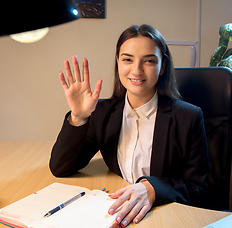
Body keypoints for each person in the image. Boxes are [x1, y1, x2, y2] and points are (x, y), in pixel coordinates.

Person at [50, 24, 209, 227]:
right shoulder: (102, 112)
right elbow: (61, 167)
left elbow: (199, 189)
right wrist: (79, 118)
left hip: (164, 215)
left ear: (162, 66)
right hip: (117, 212)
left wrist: (153, 188)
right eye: (127, 59)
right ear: (118, 63)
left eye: (149, 61)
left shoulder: (189, 117)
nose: (137, 70)